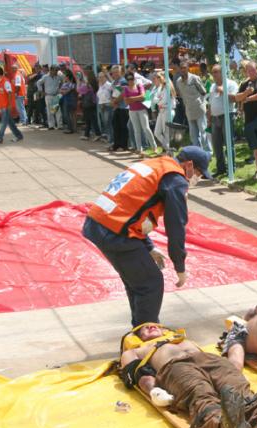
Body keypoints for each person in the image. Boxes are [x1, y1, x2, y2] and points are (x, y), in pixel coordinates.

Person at [119, 323, 257, 428]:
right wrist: (153, 390)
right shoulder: (139, 349)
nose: (151, 326)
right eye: (144, 328)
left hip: (208, 360)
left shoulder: (180, 339)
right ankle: (224, 427)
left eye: (155, 325)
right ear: (137, 337)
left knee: (234, 385)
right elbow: (135, 372)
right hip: (175, 366)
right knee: (199, 391)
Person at [82, 156, 189, 326]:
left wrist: (148, 247)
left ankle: (140, 328)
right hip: (114, 232)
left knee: (137, 282)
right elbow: (176, 225)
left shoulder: (156, 165)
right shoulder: (175, 179)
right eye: (198, 173)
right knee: (150, 283)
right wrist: (179, 265)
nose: (196, 178)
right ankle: (147, 335)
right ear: (189, 165)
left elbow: (132, 206)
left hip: (100, 223)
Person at [207, 65, 237, 177]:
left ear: (222, 72)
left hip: (227, 116)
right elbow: (210, 103)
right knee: (216, 144)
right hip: (215, 118)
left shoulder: (231, 84)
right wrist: (209, 117)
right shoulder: (212, 86)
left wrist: (223, 91)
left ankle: (231, 168)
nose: (213, 74)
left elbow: (235, 98)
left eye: (216, 72)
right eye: (212, 72)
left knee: (229, 143)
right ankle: (220, 168)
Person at [175, 60, 209, 150]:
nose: (182, 70)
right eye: (181, 68)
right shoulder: (178, 81)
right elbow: (181, 95)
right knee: (193, 134)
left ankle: (208, 151)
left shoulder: (195, 78)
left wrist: (201, 102)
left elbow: (203, 92)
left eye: (184, 68)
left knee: (203, 131)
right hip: (189, 110)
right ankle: (197, 152)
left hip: (199, 108)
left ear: (188, 68)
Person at [123, 71, 159, 157]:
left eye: (131, 79)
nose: (130, 81)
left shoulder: (139, 86)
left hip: (142, 110)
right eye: (128, 79)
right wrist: (137, 98)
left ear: (134, 79)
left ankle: (154, 147)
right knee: (137, 130)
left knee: (146, 128)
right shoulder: (125, 88)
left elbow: (143, 97)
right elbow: (126, 101)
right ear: (126, 80)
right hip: (132, 111)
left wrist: (131, 98)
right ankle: (139, 149)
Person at [0, 67, 23, 144]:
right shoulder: (0, 82)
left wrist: (9, 104)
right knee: (10, 123)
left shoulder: (5, 82)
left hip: (6, 106)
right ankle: (19, 136)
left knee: (4, 123)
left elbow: (9, 93)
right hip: (3, 106)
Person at [108, 65, 130, 152]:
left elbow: (123, 93)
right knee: (116, 126)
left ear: (121, 72)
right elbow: (112, 93)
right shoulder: (114, 82)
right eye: (114, 72)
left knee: (123, 127)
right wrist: (112, 101)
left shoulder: (123, 81)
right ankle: (116, 144)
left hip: (123, 107)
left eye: (117, 72)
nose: (115, 74)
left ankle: (123, 146)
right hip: (117, 107)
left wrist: (115, 101)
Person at [154, 72, 177, 151]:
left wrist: (159, 100)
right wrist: (159, 100)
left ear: (163, 77)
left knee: (166, 133)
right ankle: (168, 149)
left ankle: (168, 150)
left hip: (168, 111)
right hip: (161, 111)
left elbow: (162, 101)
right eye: (157, 77)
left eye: (158, 77)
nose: (157, 78)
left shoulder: (168, 87)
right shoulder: (161, 87)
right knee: (157, 132)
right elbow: (154, 99)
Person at [37, 65, 63, 130]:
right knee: (49, 111)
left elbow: (62, 82)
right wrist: (41, 91)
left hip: (55, 95)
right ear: (51, 70)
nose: (56, 72)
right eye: (55, 70)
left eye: (57, 70)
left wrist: (60, 88)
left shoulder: (58, 77)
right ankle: (51, 125)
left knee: (57, 111)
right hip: (48, 95)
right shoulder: (45, 77)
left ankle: (59, 125)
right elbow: (38, 83)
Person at [78, 73, 100, 141]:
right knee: (89, 120)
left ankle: (97, 134)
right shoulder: (92, 85)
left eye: (85, 77)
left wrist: (79, 82)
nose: (85, 78)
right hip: (91, 104)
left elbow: (78, 90)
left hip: (89, 105)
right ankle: (87, 134)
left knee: (91, 120)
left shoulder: (88, 86)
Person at [97, 71, 114, 144]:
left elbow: (114, 93)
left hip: (107, 105)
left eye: (102, 77)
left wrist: (110, 101)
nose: (100, 78)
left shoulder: (109, 85)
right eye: (99, 77)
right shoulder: (100, 85)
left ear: (105, 77)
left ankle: (111, 140)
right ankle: (109, 138)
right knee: (105, 123)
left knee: (108, 123)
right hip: (101, 105)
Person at [59, 70, 78, 134]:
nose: (64, 77)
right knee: (70, 114)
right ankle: (72, 128)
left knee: (70, 114)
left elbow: (64, 92)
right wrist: (65, 91)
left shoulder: (72, 84)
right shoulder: (67, 84)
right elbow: (61, 91)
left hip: (70, 100)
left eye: (65, 76)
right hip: (68, 100)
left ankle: (72, 128)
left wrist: (64, 91)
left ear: (68, 77)